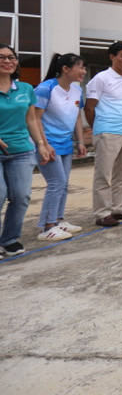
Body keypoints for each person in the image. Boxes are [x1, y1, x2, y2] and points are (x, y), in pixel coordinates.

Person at [0, 44, 54, 256]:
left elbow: (31, 119)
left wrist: (41, 144)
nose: (7, 61)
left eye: (11, 57)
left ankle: (10, 239)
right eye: (2, 57)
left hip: (21, 150)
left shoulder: (25, 89)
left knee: (21, 196)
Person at [85, 42, 122, 226]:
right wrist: (97, 127)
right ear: (112, 56)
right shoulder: (101, 78)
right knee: (103, 174)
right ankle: (102, 213)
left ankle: (119, 208)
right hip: (107, 131)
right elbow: (89, 107)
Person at [33, 53, 87, 241]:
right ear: (66, 69)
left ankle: (58, 219)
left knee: (63, 184)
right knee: (56, 183)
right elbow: (35, 119)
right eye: (81, 67)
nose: (84, 71)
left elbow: (77, 118)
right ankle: (47, 227)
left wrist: (80, 141)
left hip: (66, 143)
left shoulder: (76, 91)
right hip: (47, 144)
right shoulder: (45, 89)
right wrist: (44, 144)